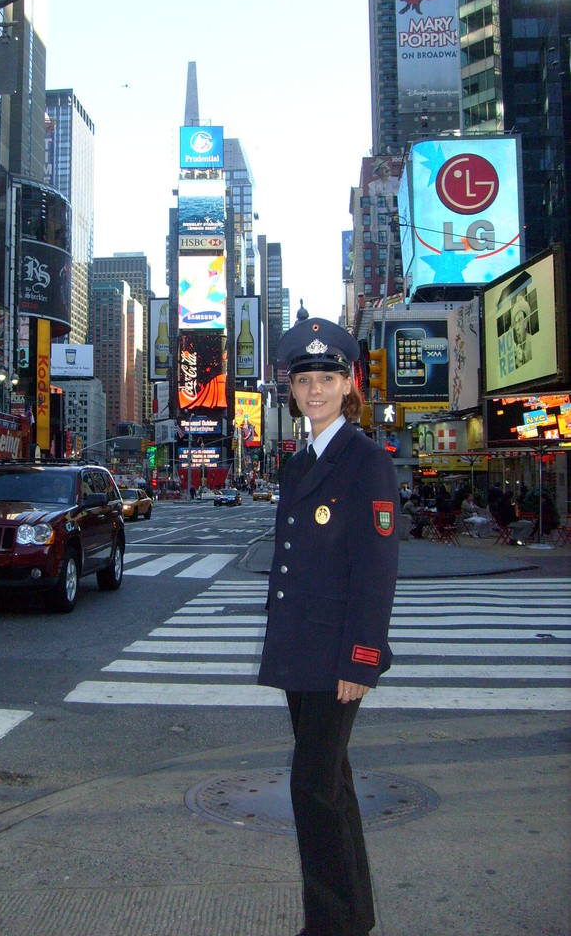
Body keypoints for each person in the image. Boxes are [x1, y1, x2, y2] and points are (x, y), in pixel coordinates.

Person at [257, 317, 399, 936]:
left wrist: (360, 660)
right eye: (304, 379)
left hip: (337, 654)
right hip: (300, 650)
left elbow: (376, 570)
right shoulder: (297, 465)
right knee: (331, 786)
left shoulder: (366, 460)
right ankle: (353, 918)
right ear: (292, 388)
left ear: (349, 385)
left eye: (328, 378)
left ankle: (330, 926)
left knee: (311, 790)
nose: (315, 390)